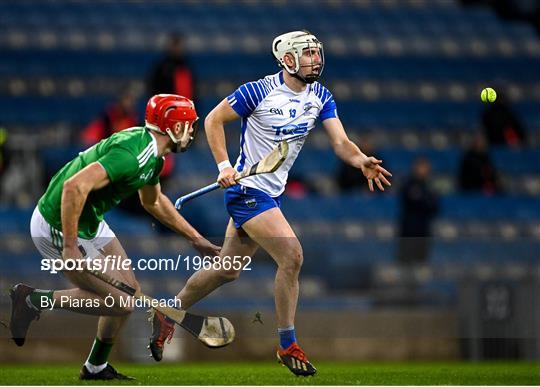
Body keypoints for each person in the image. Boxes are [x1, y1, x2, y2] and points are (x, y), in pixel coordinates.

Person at [148, 30, 392, 376]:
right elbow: (214, 120)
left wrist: (360, 160)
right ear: (288, 59)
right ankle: (287, 343)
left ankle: (168, 312)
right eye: (306, 54)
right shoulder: (258, 90)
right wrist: (223, 166)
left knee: (226, 269)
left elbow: (341, 142)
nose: (315, 60)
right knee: (292, 256)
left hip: (269, 193)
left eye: (316, 53)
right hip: (247, 190)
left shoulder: (320, 96)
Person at [9, 94, 220, 380]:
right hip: (58, 223)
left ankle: (95, 367)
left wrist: (196, 238)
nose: (192, 131)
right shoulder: (134, 155)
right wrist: (70, 247)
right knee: (122, 301)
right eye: (189, 124)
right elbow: (73, 188)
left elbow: (154, 202)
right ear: (174, 127)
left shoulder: (153, 157)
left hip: (91, 220)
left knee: (128, 290)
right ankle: (33, 299)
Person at [397, 157, 439, 264]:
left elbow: (434, 207)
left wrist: (421, 199)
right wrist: (424, 201)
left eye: (425, 167)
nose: (423, 170)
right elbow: (411, 200)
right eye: (421, 167)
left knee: (421, 262)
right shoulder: (408, 184)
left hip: (423, 230)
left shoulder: (430, 186)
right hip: (408, 230)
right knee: (405, 262)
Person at [147, 34, 195, 99]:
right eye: (175, 45)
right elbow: (154, 88)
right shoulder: (161, 67)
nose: (177, 48)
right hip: (167, 105)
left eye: (179, 46)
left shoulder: (187, 66)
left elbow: (193, 89)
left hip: (185, 105)